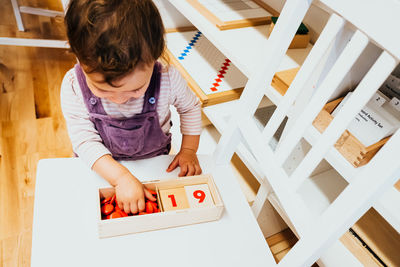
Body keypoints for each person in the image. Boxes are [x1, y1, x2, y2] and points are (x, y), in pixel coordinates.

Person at [61, 0, 202, 215]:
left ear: (155, 57)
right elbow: (84, 141)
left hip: (154, 163)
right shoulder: (73, 86)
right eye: (104, 91)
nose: (120, 100)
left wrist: (189, 150)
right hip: (100, 166)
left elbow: (190, 108)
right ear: (80, 59)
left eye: (136, 90)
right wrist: (121, 178)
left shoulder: (167, 78)